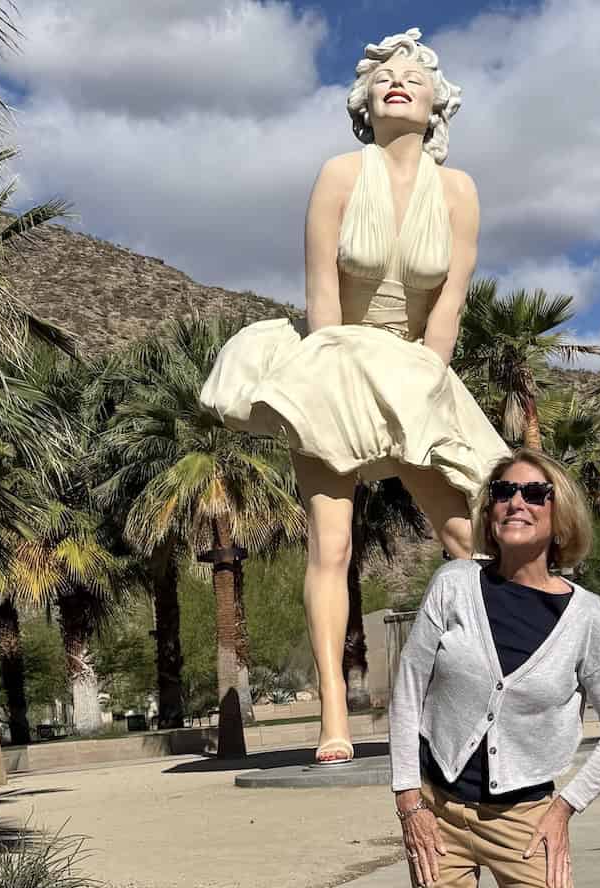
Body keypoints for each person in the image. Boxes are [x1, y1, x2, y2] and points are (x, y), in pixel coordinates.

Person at [198, 27, 508, 765]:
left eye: (414, 78)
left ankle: (487, 691)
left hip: (416, 369)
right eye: (382, 79)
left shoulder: (459, 191)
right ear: (365, 103)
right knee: (330, 546)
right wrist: (337, 381)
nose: (397, 84)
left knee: (471, 536)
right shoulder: (340, 174)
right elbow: (322, 298)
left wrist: (425, 386)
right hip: (336, 359)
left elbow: (450, 306)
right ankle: (334, 717)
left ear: (438, 106)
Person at [388, 448, 600, 888]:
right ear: (490, 513)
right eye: (504, 491)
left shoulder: (586, 617)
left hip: (526, 822)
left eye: (534, 493)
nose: (516, 502)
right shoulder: (454, 584)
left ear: (559, 513)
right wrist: (409, 800)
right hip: (437, 813)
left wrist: (566, 806)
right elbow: (408, 691)